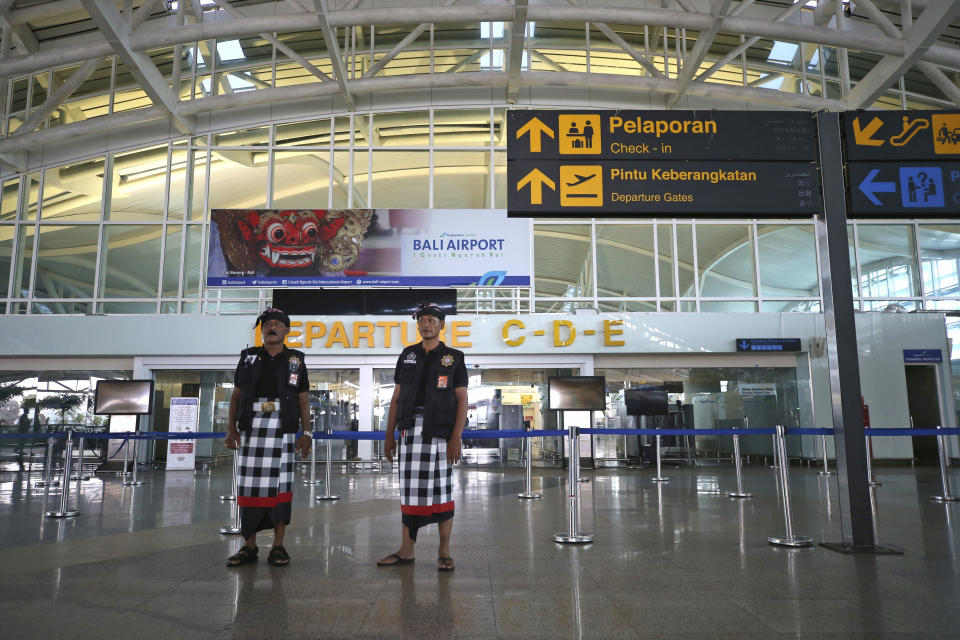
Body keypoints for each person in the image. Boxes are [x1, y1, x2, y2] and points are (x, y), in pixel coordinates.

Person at [378, 302, 467, 572]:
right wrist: (389, 435)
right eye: (422, 320)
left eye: (431, 320)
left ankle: (444, 550)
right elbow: (395, 399)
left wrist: (456, 437)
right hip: (409, 431)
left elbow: (462, 400)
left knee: (441, 491)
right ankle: (406, 550)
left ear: (441, 325)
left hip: (440, 432)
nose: (425, 324)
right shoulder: (407, 355)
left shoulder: (453, 357)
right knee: (410, 492)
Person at [224, 307, 312, 567]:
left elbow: (303, 399)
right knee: (249, 488)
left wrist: (306, 432)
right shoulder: (249, 358)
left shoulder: (296, 360)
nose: (272, 327)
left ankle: (278, 546)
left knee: (281, 488)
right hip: (251, 429)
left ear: (286, 330)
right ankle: (248, 547)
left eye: (277, 324)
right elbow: (237, 396)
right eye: (267, 324)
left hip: (283, 428)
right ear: (262, 330)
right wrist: (231, 429)